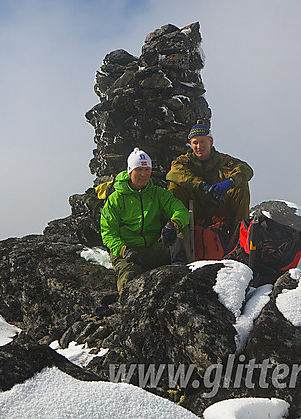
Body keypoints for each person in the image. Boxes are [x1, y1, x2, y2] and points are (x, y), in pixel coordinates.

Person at [100, 147, 190, 294]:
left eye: (147, 169)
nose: (144, 174)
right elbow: (108, 233)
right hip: (127, 252)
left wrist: (172, 225)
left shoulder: (158, 194)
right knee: (129, 278)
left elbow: (181, 211)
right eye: (139, 170)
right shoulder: (115, 200)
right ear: (130, 172)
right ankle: (127, 304)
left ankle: (180, 272)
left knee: (180, 229)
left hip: (153, 249)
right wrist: (125, 251)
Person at [166, 120, 253, 261]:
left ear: (210, 141)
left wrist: (229, 183)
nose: (199, 146)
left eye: (202, 141)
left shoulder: (223, 160)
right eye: (195, 142)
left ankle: (239, 242)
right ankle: (179, 243)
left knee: (241, 186)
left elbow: (246, 169)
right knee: (174, 186)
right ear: (190, 144)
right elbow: (174, 173)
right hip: (195, 209)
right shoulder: (183, 161)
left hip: (219, 206)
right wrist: (200, 185)